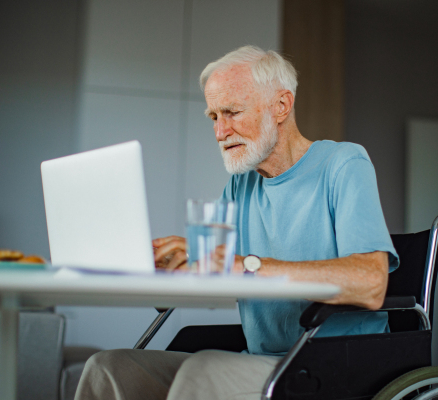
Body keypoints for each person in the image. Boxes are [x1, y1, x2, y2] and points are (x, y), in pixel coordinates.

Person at [75, 45, 399, 400]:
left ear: (281, 106)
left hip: (335, 365)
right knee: (108, 368)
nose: (219, 131)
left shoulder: (343, 163)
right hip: (261, 362)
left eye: (231, 112)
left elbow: (370, 283)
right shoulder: (241, 184)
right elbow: (219, 273)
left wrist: (246, 265)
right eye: (213, 116)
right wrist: (171, 268)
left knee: (204, 372)